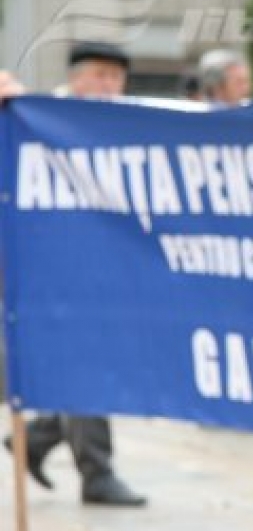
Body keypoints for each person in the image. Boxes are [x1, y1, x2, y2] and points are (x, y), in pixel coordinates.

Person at [2, 42, 147, 507]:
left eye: (116, 77)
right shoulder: (34, 120)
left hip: (98, 269)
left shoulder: (121, 126)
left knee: (90, 361)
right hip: (42, 271)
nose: (110, 86)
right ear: (76, 77)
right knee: (83, 363)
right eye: (100, 76)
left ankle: (44, 438)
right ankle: (95, 470)